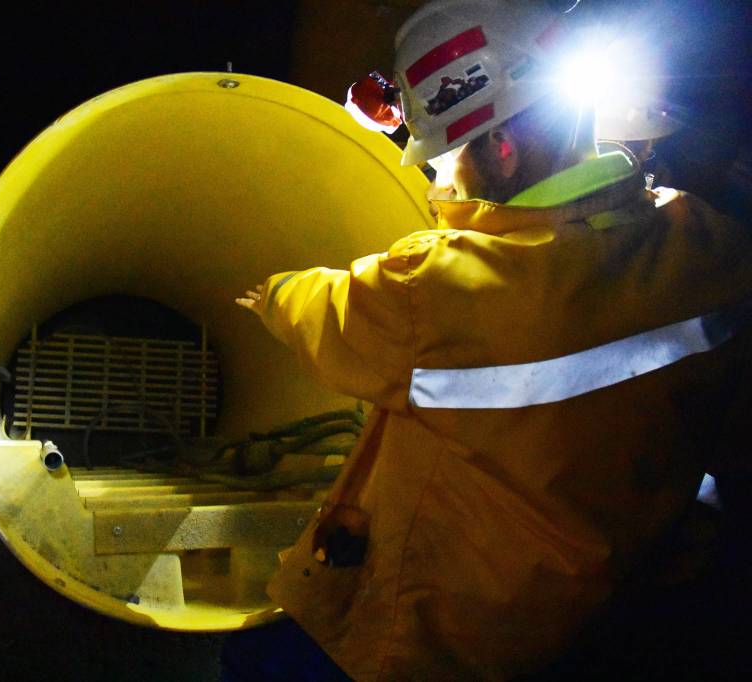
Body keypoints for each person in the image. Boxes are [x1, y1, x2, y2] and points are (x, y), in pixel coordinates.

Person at [233, 0, 752, 679]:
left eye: (444, 159)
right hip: (604, 605)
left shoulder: (433, 290)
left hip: (445, 636)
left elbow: (320, 309)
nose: (438, 177)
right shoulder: (707, 243)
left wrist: (270, 289)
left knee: (257, 659)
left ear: (502, 149)